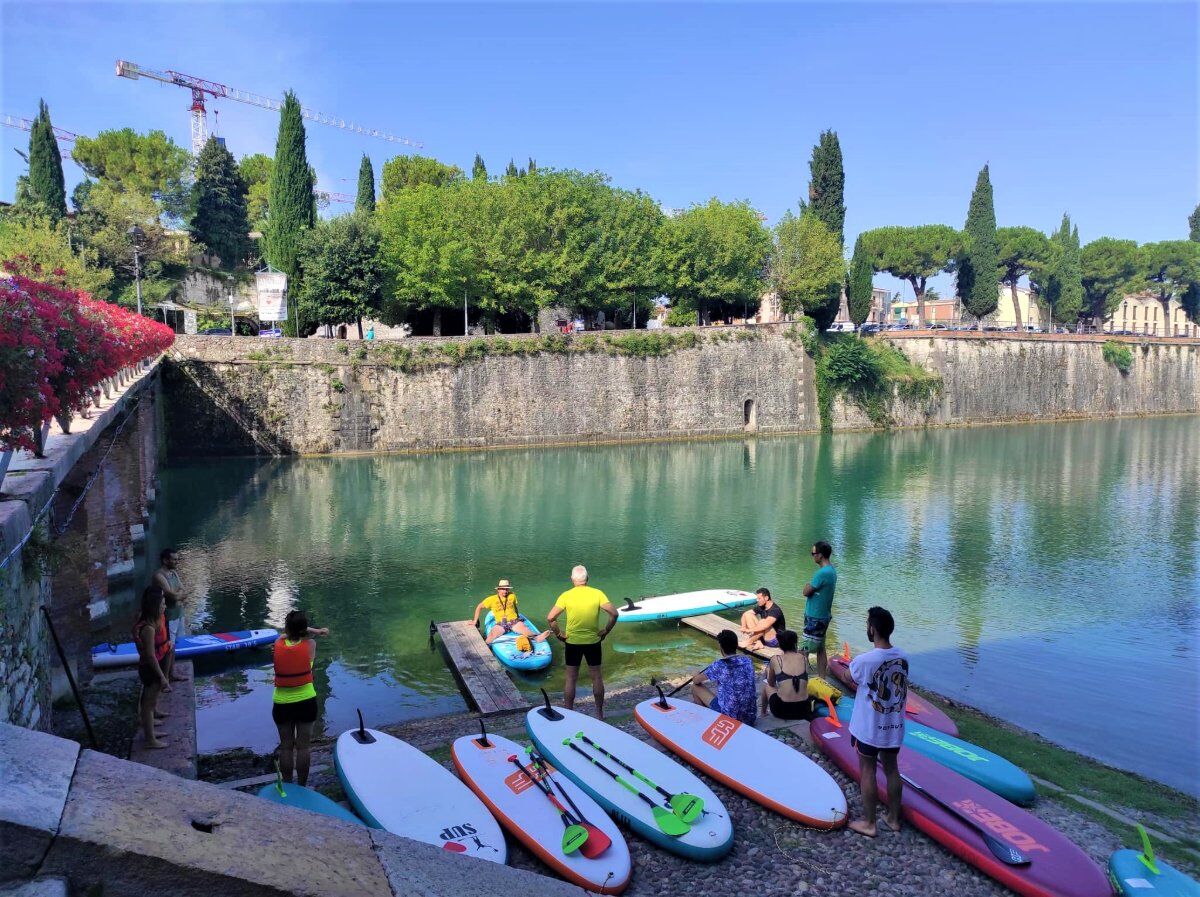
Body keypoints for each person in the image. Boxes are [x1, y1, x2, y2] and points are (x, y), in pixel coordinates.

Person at [847, 606, 909, 838]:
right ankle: (893, 819)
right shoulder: (903, 656)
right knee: (892, 769)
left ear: (872, 629)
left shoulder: (865, 660)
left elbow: (848, 676)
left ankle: (869, 823)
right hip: (894, 727)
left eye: (867, 624)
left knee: (867, 770)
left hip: (869, 729)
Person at [546, 565, 618, 718]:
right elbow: (614, 614)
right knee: (596, 676)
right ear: (587, 579)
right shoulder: (597, 594)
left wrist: (559, 634)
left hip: (572, 642)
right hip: (593, 641)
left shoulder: (566, 595)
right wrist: (606, 630)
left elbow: (551, 618)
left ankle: (569, 713)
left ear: (572, 580)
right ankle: (599, 713)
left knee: (571, 678)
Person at [272, 609, 328, 786]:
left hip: (282, 704)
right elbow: (301, 632)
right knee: (304, 747)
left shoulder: (278, 643)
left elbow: (286, 634)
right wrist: (318, 631)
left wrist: (304, 629)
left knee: (286, 747)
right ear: (305, 629)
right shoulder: (311, 645)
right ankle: (302, 786)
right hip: (306, 702)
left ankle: (288, 785)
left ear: (287, 628)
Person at [133, 584, 172, 750]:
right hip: (150, 669)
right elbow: (150, 656)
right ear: (154, 606)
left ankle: (152, 721)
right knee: (147, 705)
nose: (165, 606)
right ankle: (150, 739)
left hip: (157, 664)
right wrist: (162, 678)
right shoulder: (148, 628)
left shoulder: (153, 621)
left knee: (152, 699)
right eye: (162, 604)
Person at [691, 629, 757, 725]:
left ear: (721, 647)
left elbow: (696, 681)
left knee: (694, 687)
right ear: (736, 645)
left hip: (730, 718)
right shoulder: (748, 660)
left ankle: (703, 720)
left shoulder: (719, 665)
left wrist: (695, 674)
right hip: (750, 717)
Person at [471, 579, 550, 645]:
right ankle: (485, 647)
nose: (505, 591)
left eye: (507, 589)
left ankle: (537, 638)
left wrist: (518, 618)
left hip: (514, 621)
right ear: (498, 589)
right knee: (492, 635)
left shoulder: (512, 596)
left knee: (525, 629)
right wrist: (475, 621)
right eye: (503, 589)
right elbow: (479, 607)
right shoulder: (491, 599)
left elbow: (515, 607)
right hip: (502, 623)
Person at [760, 629, 814, 720]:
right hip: (804, 710)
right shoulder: (804, 658)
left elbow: (771, 684)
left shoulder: (776, 659)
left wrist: (769, 671)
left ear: (780, 646)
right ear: (795, 644)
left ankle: (763, 713)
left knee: (767, 687)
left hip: (782, 710)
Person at [152, 548, 188, 681]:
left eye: (177, 559)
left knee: (173, 646)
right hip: (168, 616)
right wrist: (178, 594)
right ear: (165, 560)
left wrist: (178, 594)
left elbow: (183, 591)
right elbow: (171, 595)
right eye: (174, 559)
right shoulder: (159, 576)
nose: (176, 562)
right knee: (167, 646)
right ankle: (166, 676)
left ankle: (171, 673)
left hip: (179, 613)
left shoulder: (173, 573)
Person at [802, 541, 837, 678]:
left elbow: (806, 591)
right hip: (824, 615)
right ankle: (822, 679)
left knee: (802, 650)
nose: (812, 556)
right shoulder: (831, 570)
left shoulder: (822, 573)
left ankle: (801, 682)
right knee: (821, 648)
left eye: (813, 553)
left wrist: (807, 586)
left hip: (815, 617)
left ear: (821, 555)